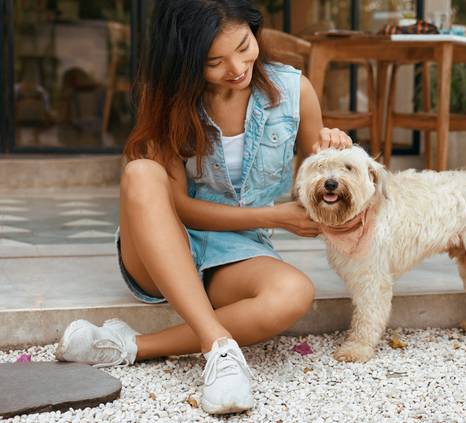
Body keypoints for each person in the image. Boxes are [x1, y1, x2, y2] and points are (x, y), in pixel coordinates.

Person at [54, 0, 352, 415]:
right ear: (186, 62)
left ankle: (129, 346)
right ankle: (218, 348)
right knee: (141, 172)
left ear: (254, 30)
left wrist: (337, 149)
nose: (236, 67)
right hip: (163, 245)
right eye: (214, 61)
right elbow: (183, 209)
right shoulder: (168, 99)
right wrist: (275, 216)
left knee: (294, 293)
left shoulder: (294, 91)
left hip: (238, 251)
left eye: (244, 46)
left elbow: (322, 180)